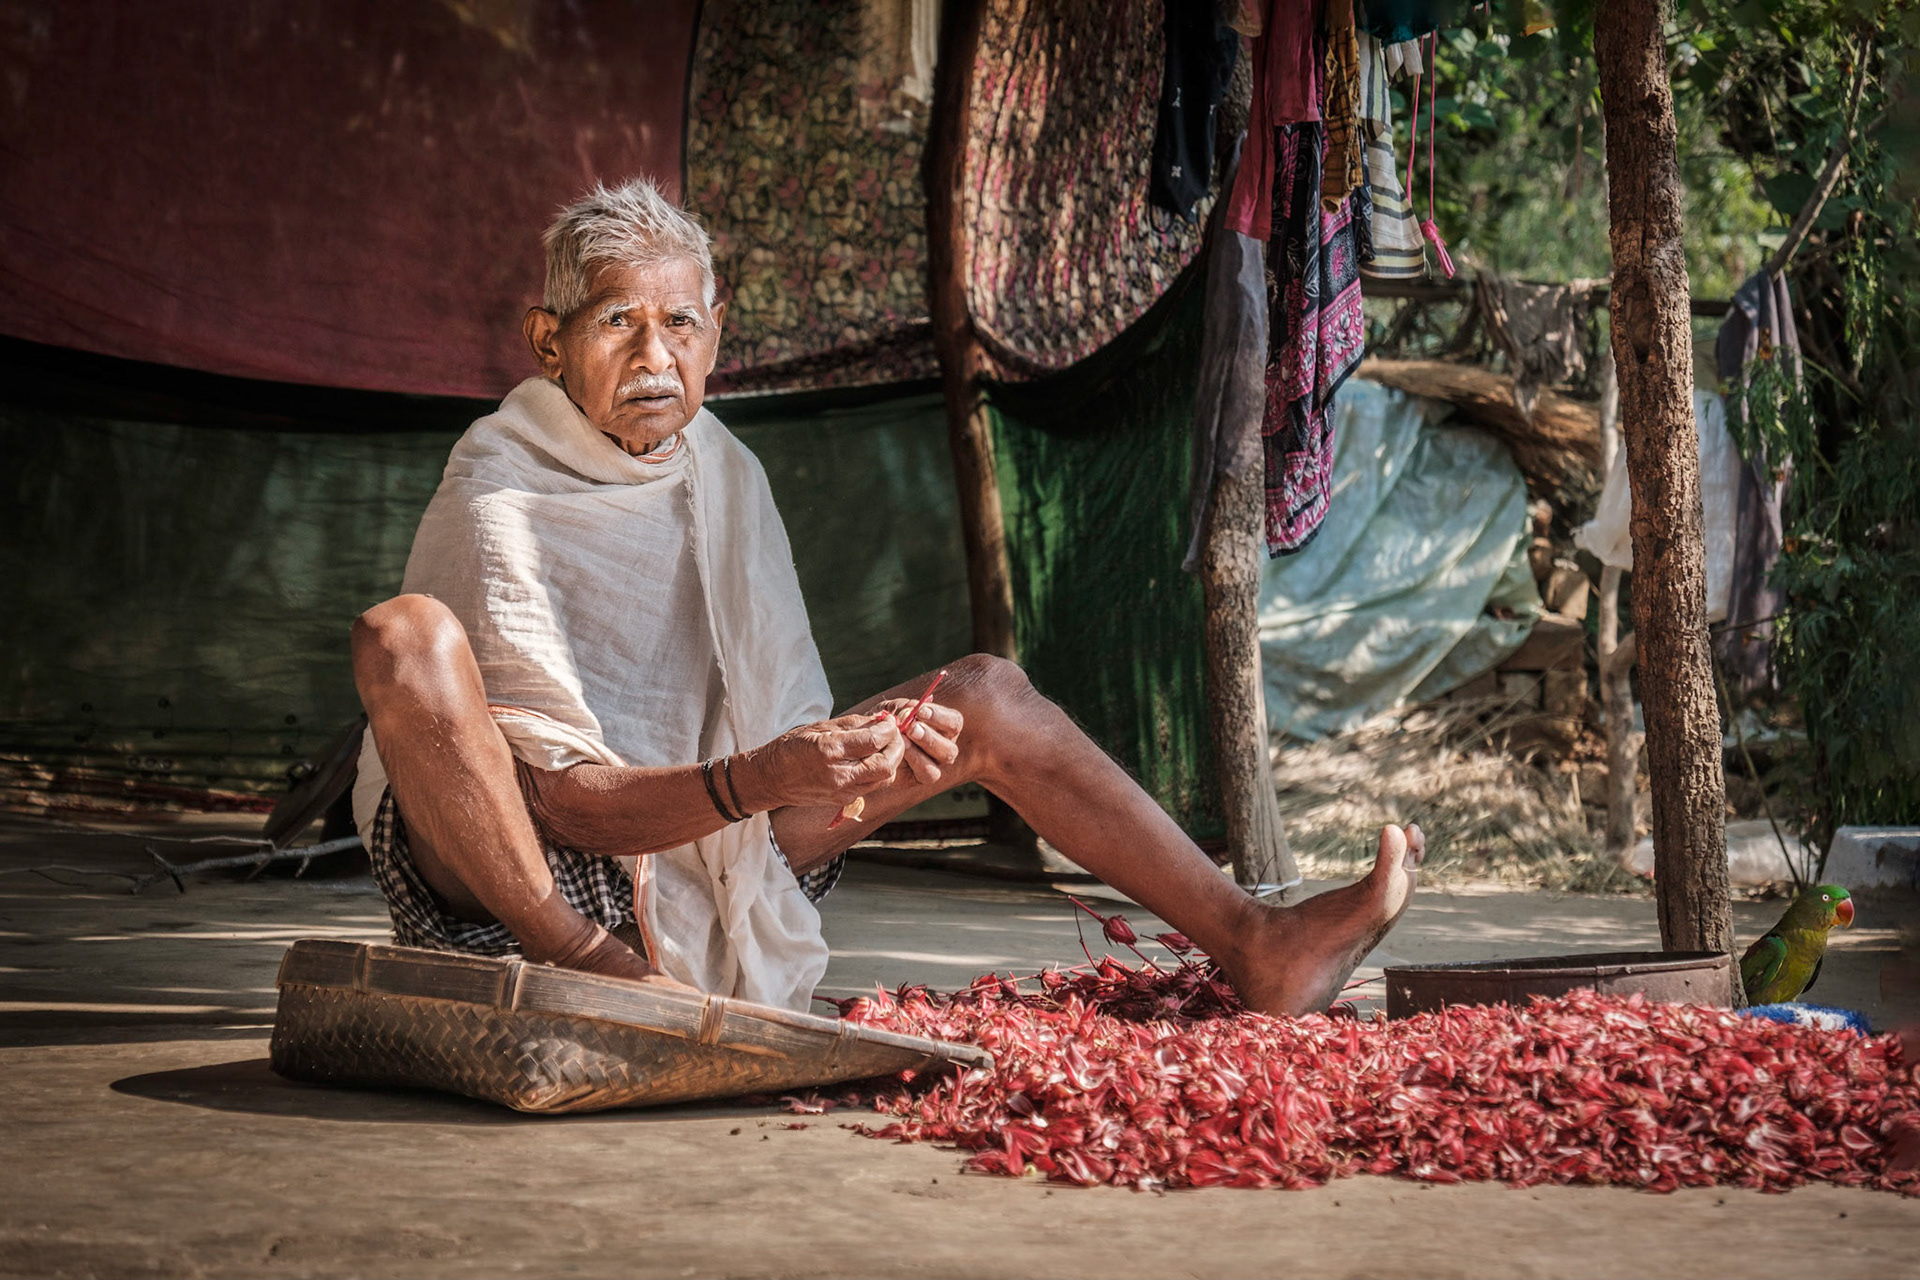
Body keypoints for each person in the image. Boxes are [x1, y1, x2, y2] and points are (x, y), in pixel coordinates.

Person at [349, 177, 1425, 1016]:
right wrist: (766, 773)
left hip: (720, 838)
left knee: (991, 696)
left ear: (716, 335)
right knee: (405, 640)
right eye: (618, 322)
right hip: (531, 885)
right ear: (550, 341)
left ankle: (1255, 938)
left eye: (680, 325)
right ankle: (601, 968)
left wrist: (819, 763)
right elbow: (560, 801)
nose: (654, 355)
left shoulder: (720, 468)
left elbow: (770, 738)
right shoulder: (501, 484)